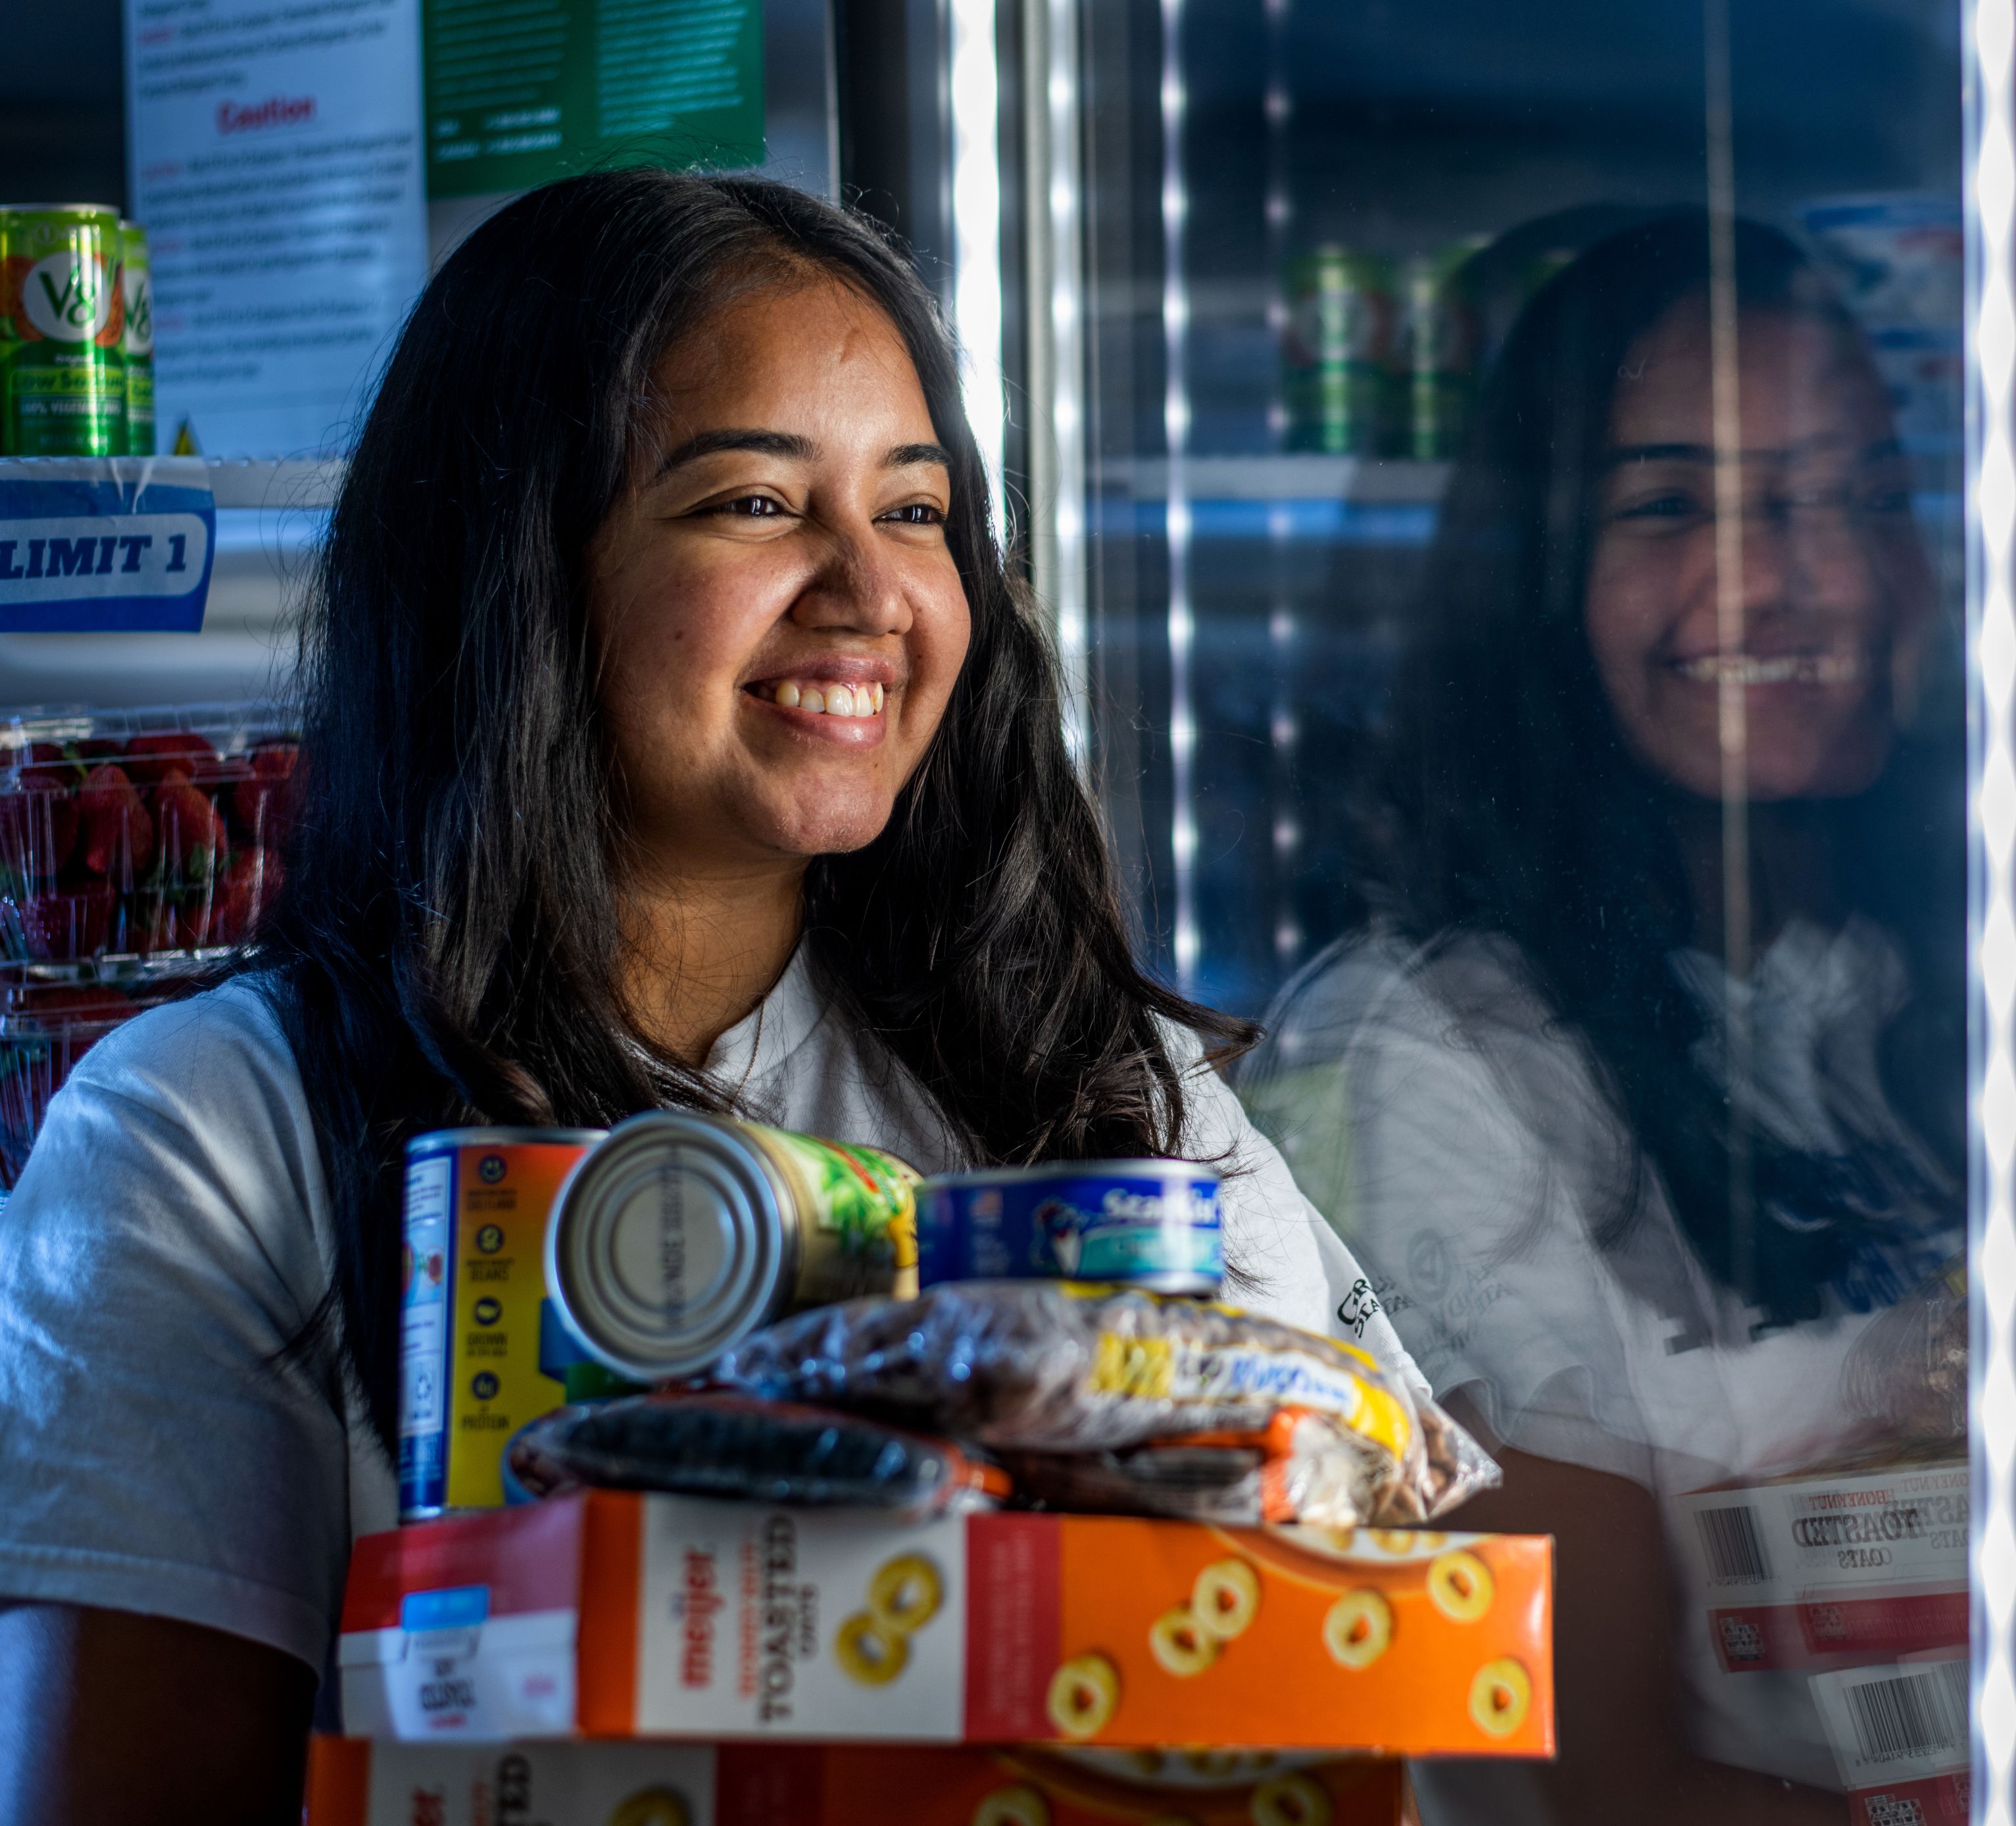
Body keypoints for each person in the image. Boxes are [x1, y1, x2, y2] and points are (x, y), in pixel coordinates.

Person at [0, 170, 1419, 1821]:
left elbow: (1363, 1655)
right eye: (752, 503)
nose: (871, 594)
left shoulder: (1108, 1086)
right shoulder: (212, 1134)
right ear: (520, 564)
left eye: (913, 508)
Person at [1246, 216, 1966, 1824]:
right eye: (1671, 503)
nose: (1811, 576)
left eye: (1858, 492)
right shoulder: (1420, 1064)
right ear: (1533, 575)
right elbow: (1594, 1786)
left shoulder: (1905, 989)